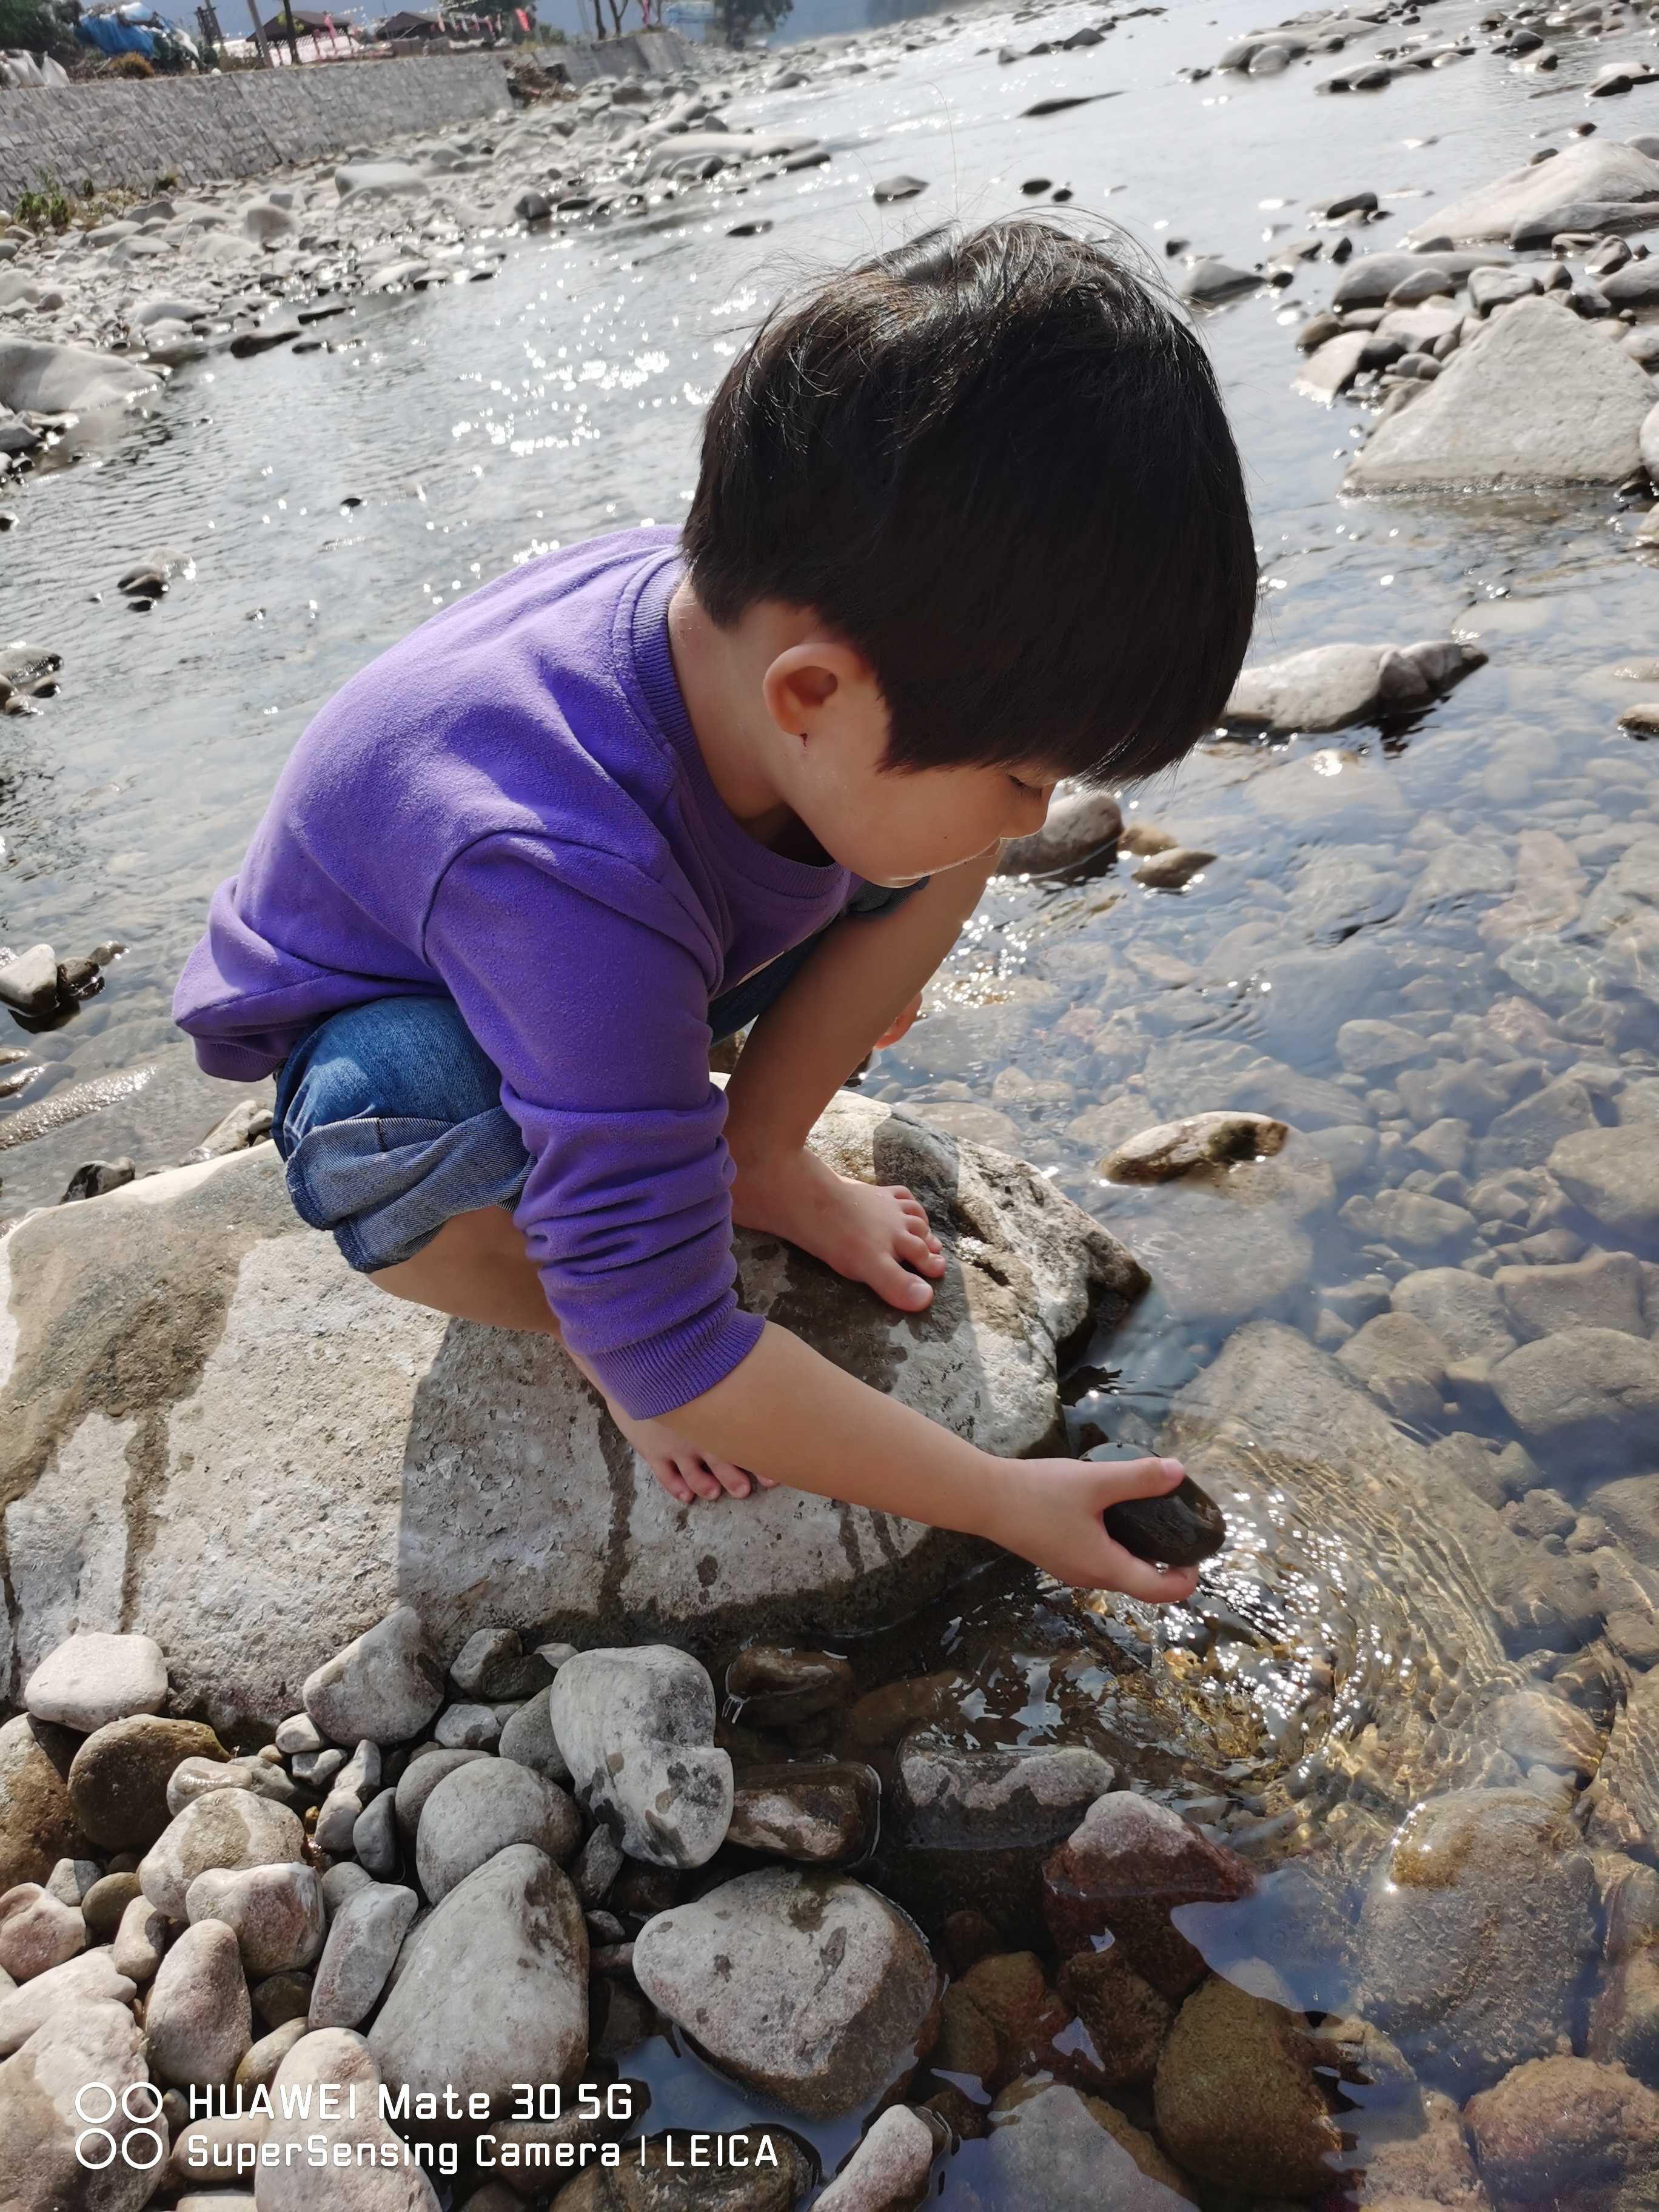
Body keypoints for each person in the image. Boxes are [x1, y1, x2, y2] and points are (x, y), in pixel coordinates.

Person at [174, 218, 1255, 1604]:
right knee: (420, 1123)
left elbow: (935, 812)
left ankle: (757, 1156)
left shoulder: (767, 637)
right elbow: (696, 1351)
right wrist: (994, 1497)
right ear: (810, 696)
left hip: (638, 936)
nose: (1038, 813)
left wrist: (760, 1114)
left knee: (944, 834)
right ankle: (580, 1304)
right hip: (403, 1032)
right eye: (1027, 770)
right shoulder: (565, 871)